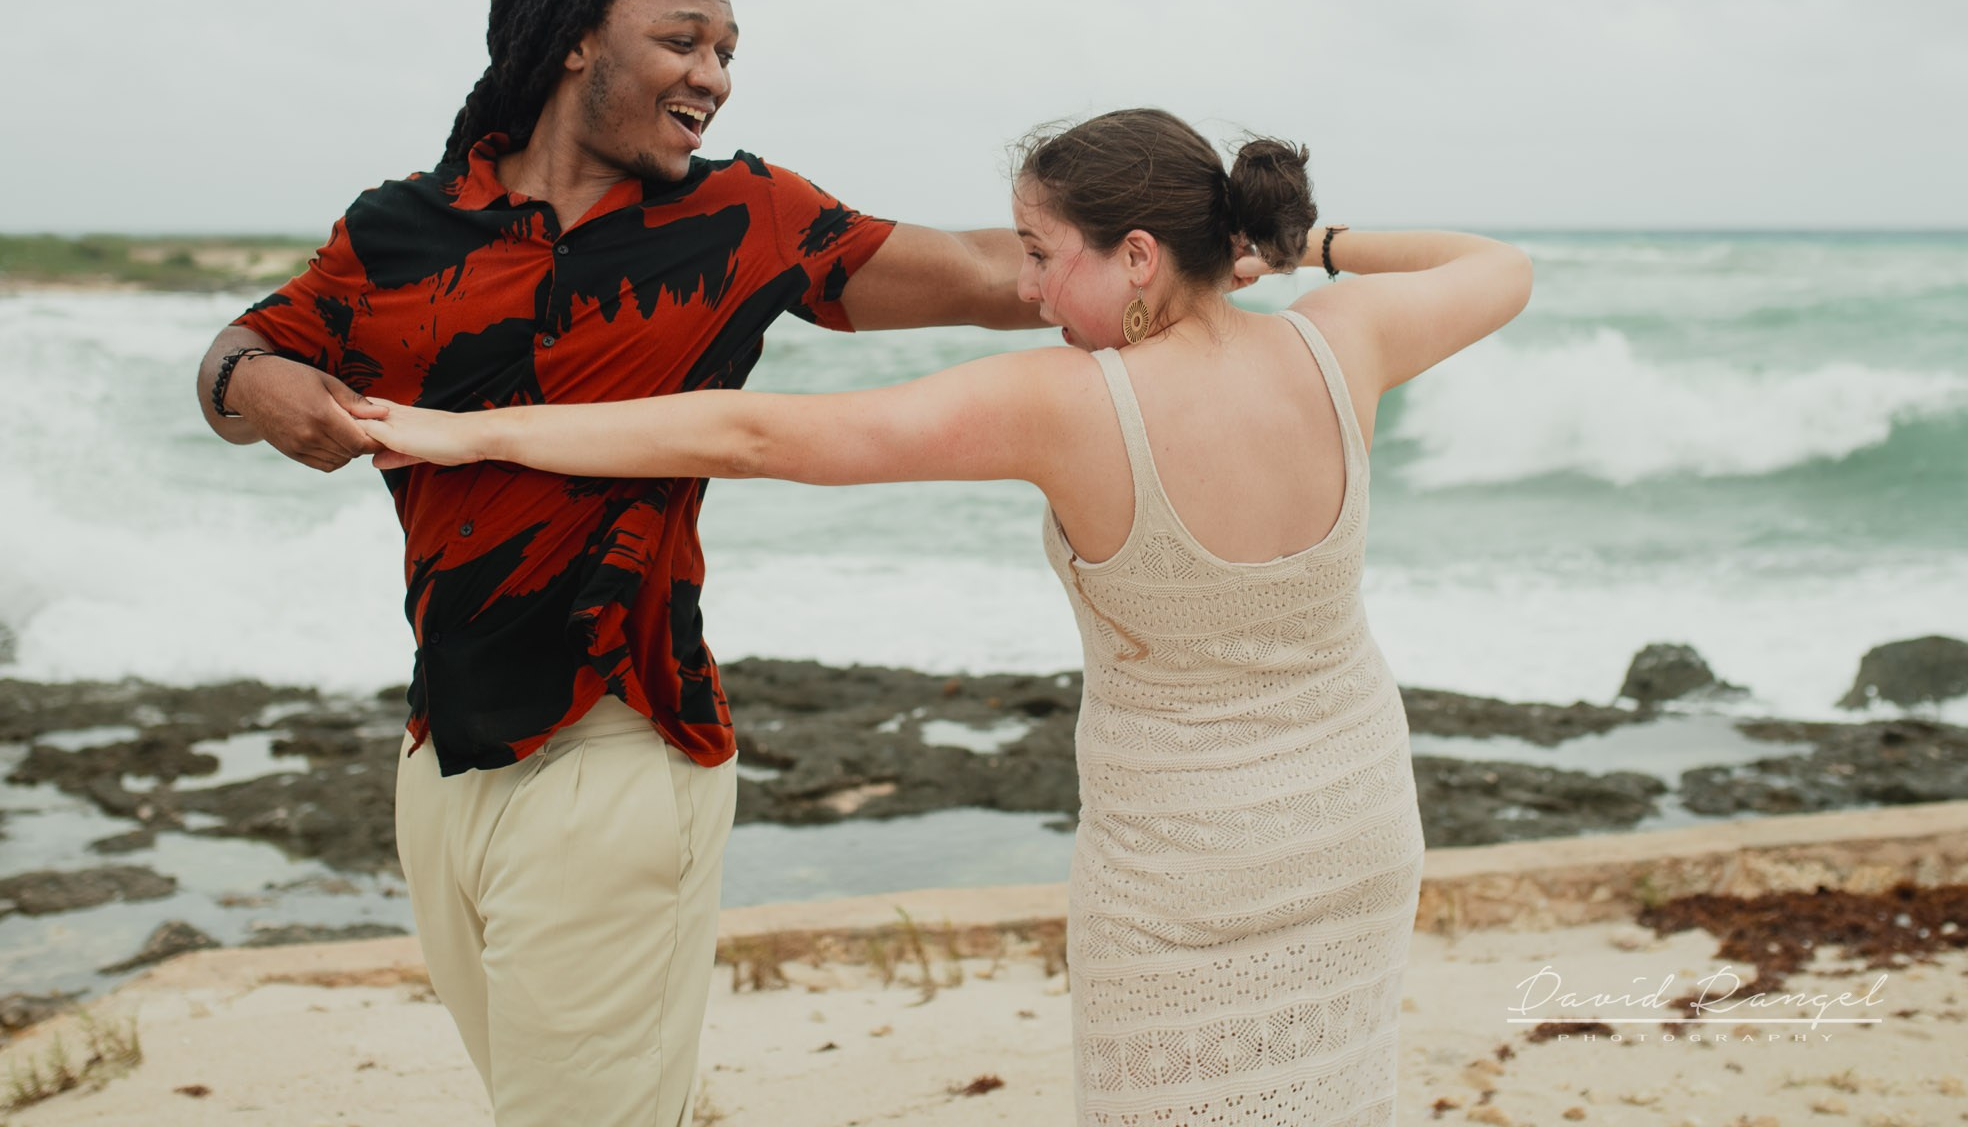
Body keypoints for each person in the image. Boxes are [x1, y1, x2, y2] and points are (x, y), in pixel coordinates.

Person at [358, 106, 1534, 1126]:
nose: (1023, 287)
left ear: (1134, 257)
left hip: (1184, 871)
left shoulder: (1071, 403)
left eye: (1039, 252)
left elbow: (756, 435)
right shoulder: (1344, 342)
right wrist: (1308, 246)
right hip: (1355, 822)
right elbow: (1500, 266)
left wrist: (474, 432)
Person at [193, 0, 1087, 1126]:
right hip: (438, 752)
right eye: (684, 41)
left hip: (616, 736)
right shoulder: (395, 232)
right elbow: (243, 347)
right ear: (574, 42)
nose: (712, 77)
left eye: (727, 53)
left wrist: (1182, 255)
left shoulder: (746, 220)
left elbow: (996, 276)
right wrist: (251, 386)